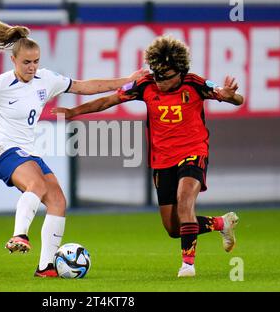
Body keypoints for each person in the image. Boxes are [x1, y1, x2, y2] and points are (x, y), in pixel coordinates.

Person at [0, 12, 148, 277]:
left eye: (35, 62)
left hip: (27, 151)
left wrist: (127, 80)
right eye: (26, 63)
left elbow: (84, 86)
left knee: (57, 200)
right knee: (38, 184)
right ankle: (19, 235)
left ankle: (46, 267)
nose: (32, 67)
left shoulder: (46, 79)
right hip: (2, 152)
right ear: (13, 60)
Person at [52, 35, 244, 278]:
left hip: (193, 151)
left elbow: (236, 98)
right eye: (156, 74)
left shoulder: (196, 84)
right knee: (173, 227)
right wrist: (73, 111)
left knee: (185, 201)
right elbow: (107, 101)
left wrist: (230, 95)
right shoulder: (145, 84)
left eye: (165, 76)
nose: (159, 81)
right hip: (162, 160)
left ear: (180, 72)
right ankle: (220, 223)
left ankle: (188, 265)